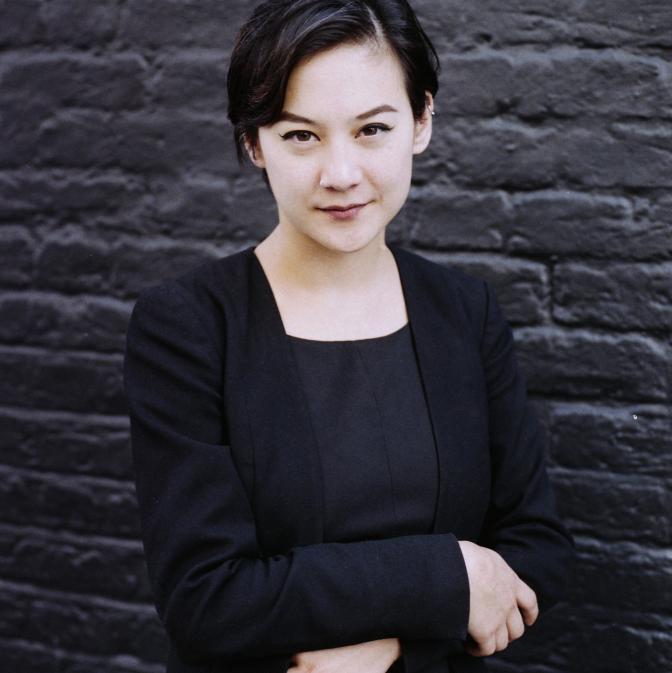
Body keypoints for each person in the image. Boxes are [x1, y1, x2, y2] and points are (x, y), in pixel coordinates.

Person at [123, 1, 575, 672]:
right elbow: (206, 599)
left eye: (372, 129)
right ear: (254, 143)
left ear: (421, 121)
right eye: (300, 135)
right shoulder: (189, 327)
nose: (340, 174)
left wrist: (393, 646)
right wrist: (448, 576)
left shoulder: (464, 312)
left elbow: (538, 551)